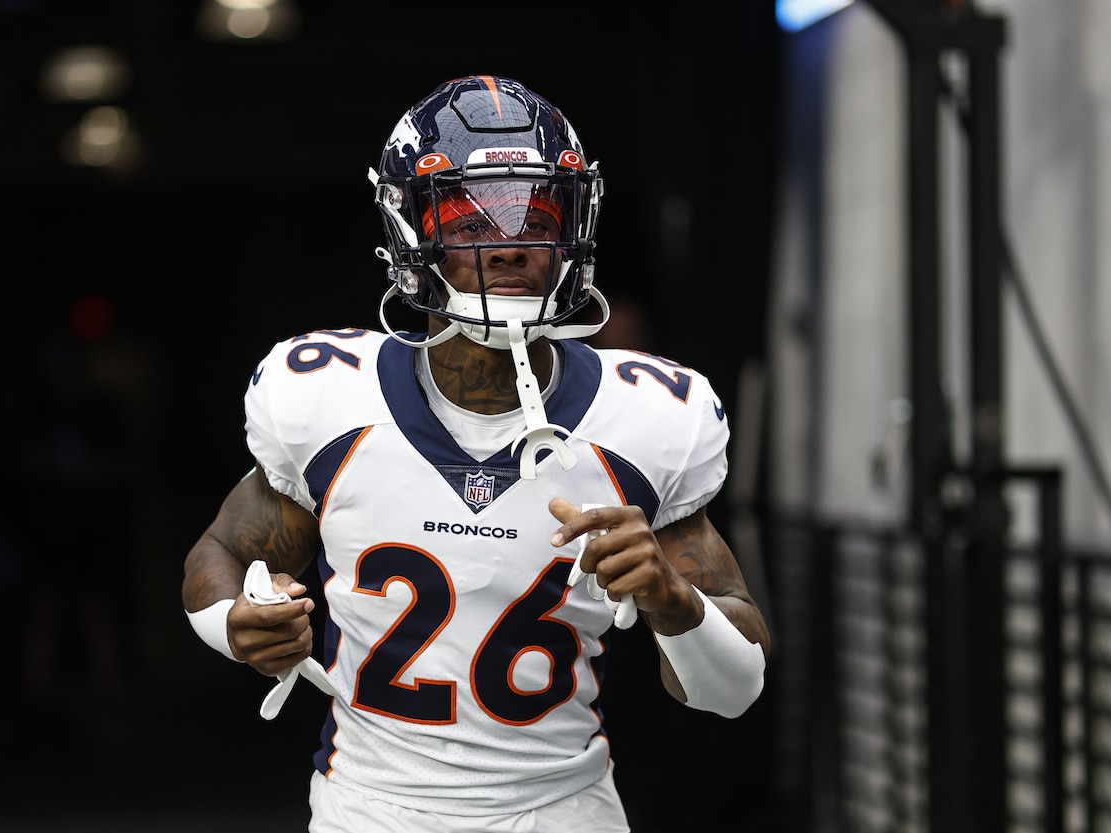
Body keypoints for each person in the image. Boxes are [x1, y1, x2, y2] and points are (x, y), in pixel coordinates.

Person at [182, 75, 771, 833]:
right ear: (411, 232)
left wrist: (671, 597)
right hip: (373, 811)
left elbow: (736, 691)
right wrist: (235, 620)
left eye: (537, 214)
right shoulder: (328, 401)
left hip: (560, 811)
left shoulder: (646, 418)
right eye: (471, 219)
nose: (511, 245)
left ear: (574, 228)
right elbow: (223, 550)